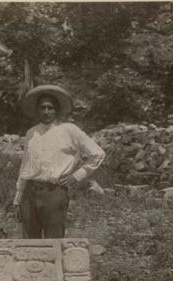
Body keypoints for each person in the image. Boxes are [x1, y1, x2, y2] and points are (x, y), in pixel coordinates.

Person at [13, 85, 105, 238]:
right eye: (42, 108)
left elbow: (97, 154)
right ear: (37, 110)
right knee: (29, 242)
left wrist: (76, 176)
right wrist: (18, 198)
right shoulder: (31, 132)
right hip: (29, 192)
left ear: (57, 110)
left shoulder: (69, 130)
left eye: (50, 108)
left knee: (54, 241)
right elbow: (25, 167)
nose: (46, 112)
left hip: (54, 192)